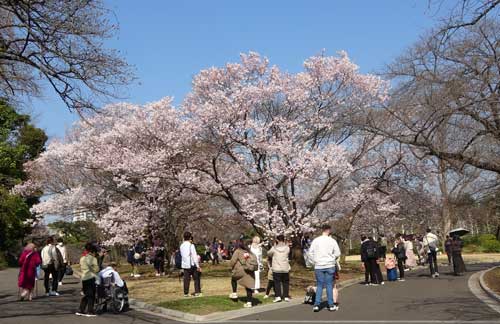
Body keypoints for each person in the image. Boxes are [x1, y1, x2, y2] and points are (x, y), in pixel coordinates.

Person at [309, 224, 341, 312]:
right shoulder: (332, 241)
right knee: (329, 285)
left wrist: (314, 261)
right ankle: (331, 305)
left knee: (319, 285)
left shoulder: (316, 240)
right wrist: (332, 258)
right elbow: (338, 253)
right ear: (329, 230)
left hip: (318, 265)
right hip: (329, 265)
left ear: (322, 230)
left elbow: (310, 253)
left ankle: (317, 305)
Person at [229, 240, 257, 308]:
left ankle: (234, 293)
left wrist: (231, 267)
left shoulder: (238, 251)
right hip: (249, 271)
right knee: (248, 286)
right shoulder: (251, 253)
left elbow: (233, 261)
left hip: (240, 270)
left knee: (233, 278)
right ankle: (249, 302)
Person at [76, 242, 99, 317]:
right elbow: (96, 269)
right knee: (91, 295)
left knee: (86, 294)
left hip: (84, 277)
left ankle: (81, 310)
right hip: (91, 277)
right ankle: (90, 311)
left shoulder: (82, 258)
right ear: (92, 251)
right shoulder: (93, 259)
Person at [267, 234, 291, 303]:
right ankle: (286, 296)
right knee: (285, 282)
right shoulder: (287, 248)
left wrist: (274, 246)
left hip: (277, 268)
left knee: (277, 283)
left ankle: (278, 296)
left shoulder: (274, 248)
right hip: (285, 268)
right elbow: (288, 253)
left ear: (277, 240)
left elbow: (269, 253)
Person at [180, 231, 202, 297]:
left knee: (186, 279)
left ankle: (186, 293)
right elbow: (194, 256)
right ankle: (197, 292)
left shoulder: (181, 246)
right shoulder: (191, 245)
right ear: (190, 237)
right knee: (196, 278)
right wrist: (197, 265)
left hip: (185, 264)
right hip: (191, 265)